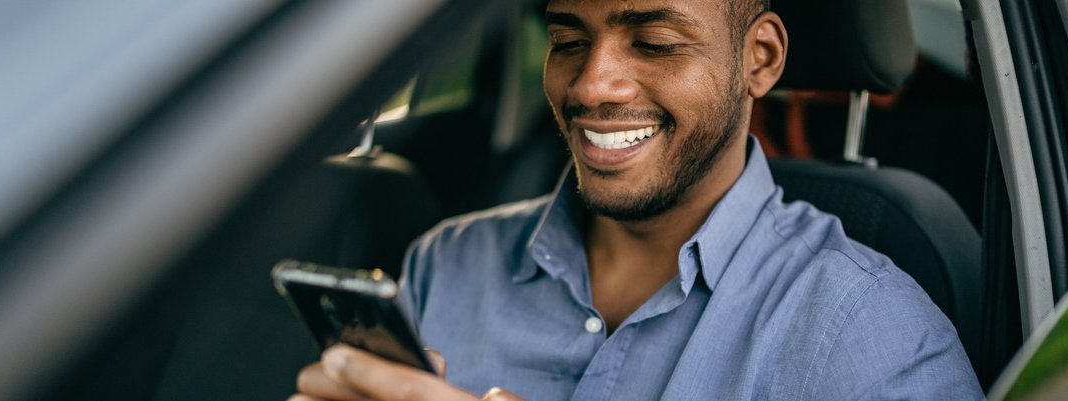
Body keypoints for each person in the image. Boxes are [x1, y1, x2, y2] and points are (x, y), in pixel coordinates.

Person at [290, 0, 983, 399]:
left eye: (653, 43)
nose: (592, 84)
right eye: (568, 40)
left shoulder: (869, 334)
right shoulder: (450, 260)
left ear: (761, 59)